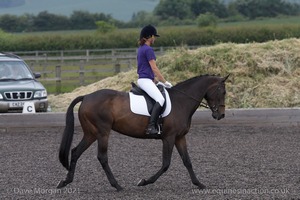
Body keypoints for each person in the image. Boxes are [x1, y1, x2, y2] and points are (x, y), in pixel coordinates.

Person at [137, 24, 172, 135]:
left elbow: (144, 68)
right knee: (160, 99)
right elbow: (154, 68)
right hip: (145, 80)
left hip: (146, 79)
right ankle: (151, 126)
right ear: (150, 37)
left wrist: (155, 80)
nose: (155, 39)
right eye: (154, 36)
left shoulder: (141, 49)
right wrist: (164, 81)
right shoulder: (148, 50)